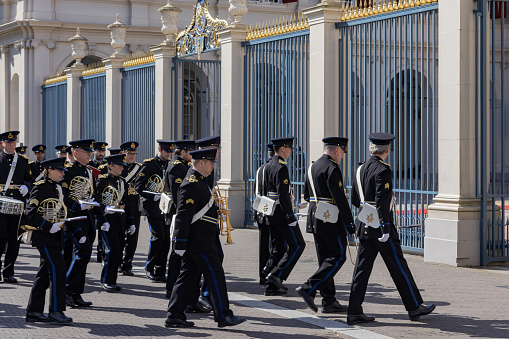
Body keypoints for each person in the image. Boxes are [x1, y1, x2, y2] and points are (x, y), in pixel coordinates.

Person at [347, 133, 435, 324]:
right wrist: (386, 228)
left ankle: (353, 311)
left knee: (361, 270)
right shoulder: (383, 170)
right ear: (387, 150)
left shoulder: (359, 169)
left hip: (365, 224)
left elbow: (355, 200)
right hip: (381, 227)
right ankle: (414, 307)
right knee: (398, 266)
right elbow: (382, 201)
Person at [165, 148, 245, 328]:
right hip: (198, 242)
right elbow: (183, 215)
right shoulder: (191, 183)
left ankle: (174, 315)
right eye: (210, 163)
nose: (212, 166)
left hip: (203, 240)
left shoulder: (200, 181)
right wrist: (180, 242)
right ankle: (223, 315)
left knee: (187, 277)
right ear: (200, 163)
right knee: (215, 275)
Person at [296, 137, 355, 313]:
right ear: (337, 150)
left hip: (314, 216)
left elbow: (306, 195)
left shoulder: (312, 166)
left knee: (325, 259)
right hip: (330, 218)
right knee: (337, 257)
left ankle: (329, 300)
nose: (342, 157)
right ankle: (309, 287)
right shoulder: (331, 168)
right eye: (342, 153)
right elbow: (340, 199)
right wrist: (350, 223)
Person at [25, 157, 73, 324]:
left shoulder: (58, 188)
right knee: (58, 270)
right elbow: (30, 213)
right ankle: (56, 311)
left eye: (63, 170)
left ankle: (34, 312)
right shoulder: (40, 188)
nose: (62, 173)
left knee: (44, 275)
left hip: (55, 237)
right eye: (59, 170)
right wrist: (47, 226)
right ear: (49, 170)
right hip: (44, 237)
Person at [262, 137, 305, 296]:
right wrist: (291, 217)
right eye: (289, 149)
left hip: (271, 213)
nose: (291, 151)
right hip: (281, 213)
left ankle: (269, 285)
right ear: (282, 149)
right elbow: (284, 196)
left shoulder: (268, 165)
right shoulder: (281, 167)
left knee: (277, 249)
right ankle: (276, 275)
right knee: (298, 245)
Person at [61, 139, 97, 308]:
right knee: (82, 252)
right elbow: (62, 195)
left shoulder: (88, 171)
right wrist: (77, 205)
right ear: (75, 153)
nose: (90, 154)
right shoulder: (67, 170)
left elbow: (92, 193)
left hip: (87, 218)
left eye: (90, 151)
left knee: (84, 254)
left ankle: (76, 293)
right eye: (86, 151)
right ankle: (66, 290)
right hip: (73, 218)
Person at [95, 154, 135, 292]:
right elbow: (95, 199)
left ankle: (112, 280)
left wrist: (131, 222)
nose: (122, 168)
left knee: (118, 251)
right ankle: (106, 280)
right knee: (112, 250)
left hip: (120, 221)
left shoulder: (122, 181)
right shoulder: (101, 180)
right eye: (119, 165)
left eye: (123, 165)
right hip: (107, 220)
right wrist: (103, 209)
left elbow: (126, 204)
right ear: (110, 166)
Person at [134, 139, 172, 281]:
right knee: (158, 237)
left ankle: (161, 270)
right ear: (160, 149)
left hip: (166, 207)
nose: (169, 154)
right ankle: (149, 267)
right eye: (166, 151)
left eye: (170, 152)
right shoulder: (149, 164)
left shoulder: (170, 165)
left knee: (167, 239)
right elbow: (138, 185)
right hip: (152, 207)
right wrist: (151, 195)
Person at [0, 131, 33, 283]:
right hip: (1, 205)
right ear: (3, 144)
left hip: (17, 205)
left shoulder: (23, 160)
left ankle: (8, 272)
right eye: (8, 142)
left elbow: (31, 179)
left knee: (14, 240)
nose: (11, 144)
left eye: (13, 142)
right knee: (1, 239)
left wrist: (27, 186)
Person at [254, 143, 277, 286]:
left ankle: (262, 275)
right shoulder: (274, 168)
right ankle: (269, 274)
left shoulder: (260, 169)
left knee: (264, 246)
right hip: (272, 211)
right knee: (274, 246)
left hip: (261, 210)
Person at [118, 141, 142, 276]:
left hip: (133, 206)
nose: (132, 156)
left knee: (132, 238)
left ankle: (128, 264)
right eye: (129, 153)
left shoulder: (139, 168)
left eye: (134, 154)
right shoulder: (116, 166)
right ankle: (118, 263)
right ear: (123, 153)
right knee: (120, 236)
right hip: (120, 206)